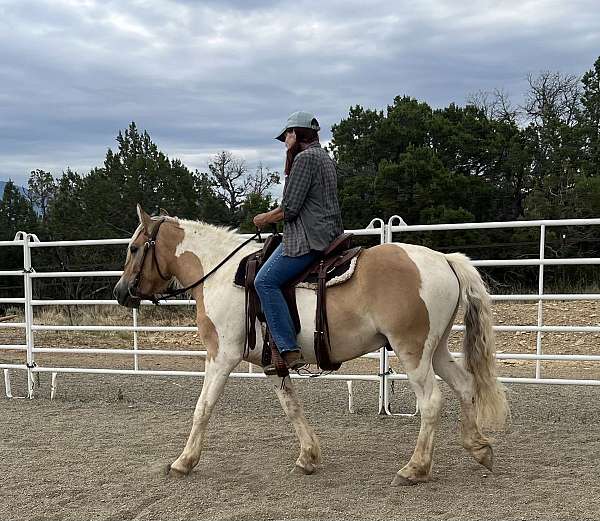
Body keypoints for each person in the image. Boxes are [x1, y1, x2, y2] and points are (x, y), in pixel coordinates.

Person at [253, 111, 344, 372]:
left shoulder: (304, 159)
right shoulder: (324, 157)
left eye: (287, 136)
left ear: (296, 134)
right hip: (330, 232)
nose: (285, 142)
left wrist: (263, 218)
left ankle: (287, 348)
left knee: (265, 281)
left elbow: (290, 209)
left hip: (308, 238)